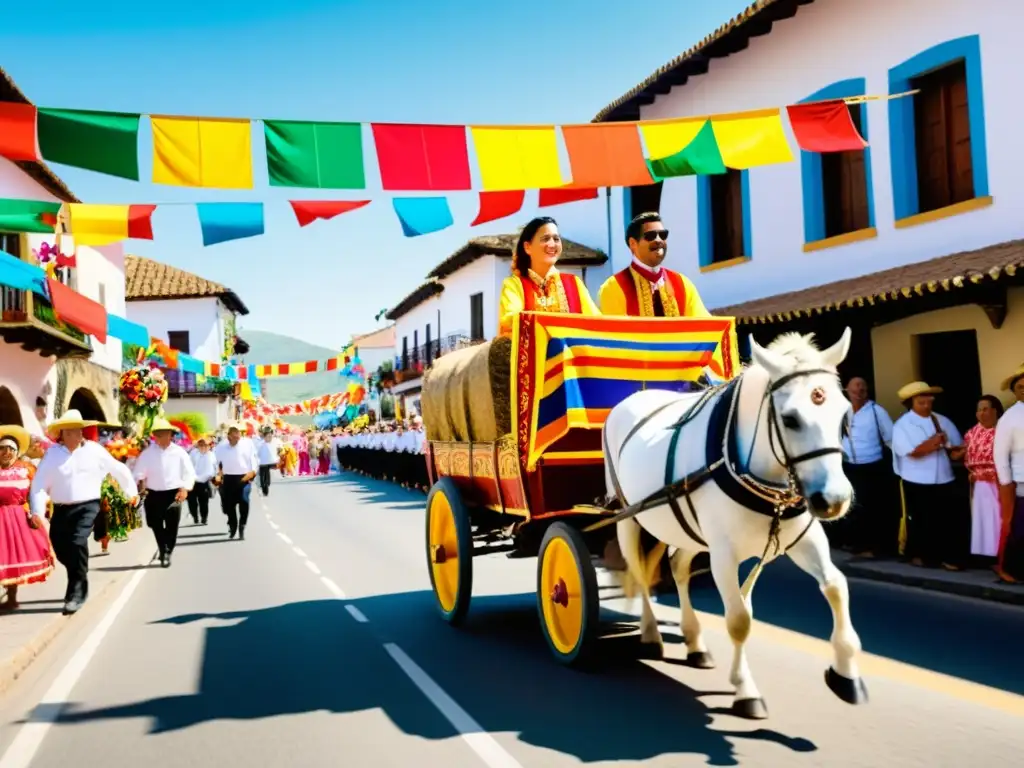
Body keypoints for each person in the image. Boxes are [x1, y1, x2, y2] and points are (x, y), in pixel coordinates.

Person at [29, 410, 139, 614]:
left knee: (77, 542)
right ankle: (78, 572)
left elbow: (118, 469)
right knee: (61, 546)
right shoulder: (53, 455)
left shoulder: (94, 450)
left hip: (88, 505)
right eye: (70, 431)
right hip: (61, 509)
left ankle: (77, 591)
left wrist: (131, 492)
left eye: (78, 431)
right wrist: (36, 510)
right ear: (62, 433)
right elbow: (39, 485)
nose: (75, 435)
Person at [891, 382, 965, 570]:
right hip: (916, 479)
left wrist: (960, 451)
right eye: (920, 402)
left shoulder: (942, 421)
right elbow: (912, 452)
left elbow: (955, 448)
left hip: (944, 478)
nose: (926, 405)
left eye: (928, 401)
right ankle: (922, 556)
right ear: (911, 403)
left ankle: (948, 557)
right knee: (922, 520)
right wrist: (933, 443)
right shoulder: (902, 425)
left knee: (946, 520)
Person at [497, 216, 600, 337]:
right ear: (527, 247)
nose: (552, 244)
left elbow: (596, 323)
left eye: (556, 239)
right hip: (534, 355)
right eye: (545, 239)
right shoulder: (514, 285)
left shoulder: (574, 283)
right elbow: (511, 321)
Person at [839, 377, 897, 557]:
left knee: (872, 507)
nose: (859, 391)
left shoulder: (876, 411)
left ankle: (873, 548)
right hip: (849, 465)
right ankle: (856, 544)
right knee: (853, 506)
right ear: (847, 391)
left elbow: (891, 439)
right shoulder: (842, 411)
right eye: (855, 389)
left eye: (862, 388)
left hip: (872, 466)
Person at [0, 425, 54, 610]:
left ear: (17, 452)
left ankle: (12, 597)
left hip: (17, 519)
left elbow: (37, 492)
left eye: (10, 449)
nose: (6, 453)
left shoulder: (26, 470)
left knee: (11, 557)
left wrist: (36, 513)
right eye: (2, 449)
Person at [132, 419, 196, 568]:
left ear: (170, 435)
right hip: (153, 494)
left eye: (163, 434)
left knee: (172, 525)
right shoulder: (147, 454)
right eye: (157, 435)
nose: (160, 437)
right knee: (154, 523)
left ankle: (166, 551)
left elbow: (189, 473)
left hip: (174, 493)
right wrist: (140, 483)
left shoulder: (179, 453)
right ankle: (163, 548)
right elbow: (138, 473)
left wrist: (185, 488)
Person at [962, 395, 1005, 562]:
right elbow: (967, 455)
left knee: (1000, 517)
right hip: (979, 483)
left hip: (1000, 481)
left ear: (995, 411)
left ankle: (1002, 554)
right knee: (984, 519)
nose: (981, 413)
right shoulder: (972, 433)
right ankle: (988, 556)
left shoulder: (1003, 430)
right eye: (979, 410)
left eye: (985, 409)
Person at [994, 363, 1024, 583]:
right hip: (1020, 479)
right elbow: (1000, 452)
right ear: (1014, 391)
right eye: (1021, 386)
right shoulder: (1009, 417)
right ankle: (1011, 570)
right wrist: (1006, 482)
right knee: (1019, 528)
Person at [214, 424, 258, 540]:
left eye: (238, 436)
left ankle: (242, 525)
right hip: (228, 478)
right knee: (229, 506)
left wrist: (253, 472)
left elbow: (253, 459)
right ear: (228, 437)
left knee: (244, 500)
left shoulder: (247, 444)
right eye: (234, 436)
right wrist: (218, 475)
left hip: (244, 477)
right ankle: (233, 525)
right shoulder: (221, 447)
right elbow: (215, 462)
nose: (237, 439)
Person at [187, 436, 217, 525]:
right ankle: (195, 516)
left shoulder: (211, 455)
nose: (203, 447)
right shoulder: (193, 454)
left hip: (204, 481)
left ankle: (204, 518)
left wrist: (213, 478)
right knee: (191, 501)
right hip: (192, 481)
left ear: (209, 446)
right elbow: (188, 466)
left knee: (204, 502)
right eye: (201, 445)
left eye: (205, 445)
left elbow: (214, 468)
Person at [256, 425, 281, 496]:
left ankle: (266, 484)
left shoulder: (274, 441)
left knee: (266, 473)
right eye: (267, 436)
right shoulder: (260, 443)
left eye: (270, 435)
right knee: (262, 473)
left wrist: (278, 453)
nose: (269, 437)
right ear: (264, 436)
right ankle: (263, 486)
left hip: (269, 461)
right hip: (261, 462)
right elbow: (256, 451)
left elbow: (279, 449)